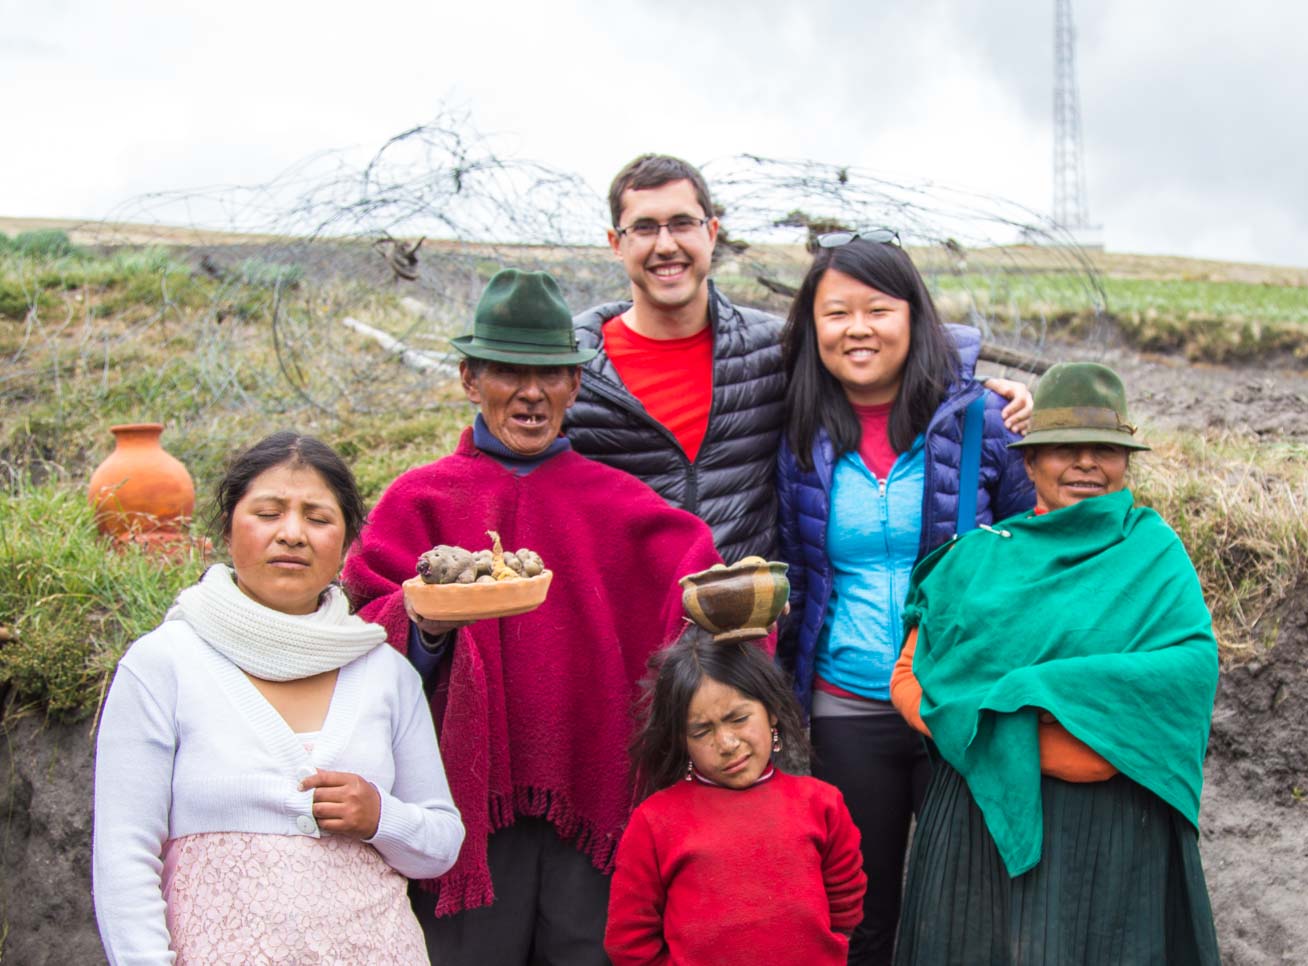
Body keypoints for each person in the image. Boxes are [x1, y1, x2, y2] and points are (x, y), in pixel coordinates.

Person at [343, 269, 724, 965]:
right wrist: (424, 624)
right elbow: (362, 629)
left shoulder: (621, 506)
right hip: (459, 808)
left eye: (550, 374)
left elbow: (698, 592)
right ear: (468, 378)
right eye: (507, 373)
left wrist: (731, 619)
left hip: (590, 800)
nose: (531, 393)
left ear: (575, 386)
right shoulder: (417, 501)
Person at [889, 362, 1221, 964]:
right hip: (977, 816)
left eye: (1105, 450)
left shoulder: (1152, 552)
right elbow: (910, 678)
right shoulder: (976, 560)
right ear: (1029, 462)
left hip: (1114, 827)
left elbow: (1188, 671)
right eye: (1064, 448)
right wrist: (1008, 737)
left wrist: (1030, 693)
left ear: (1126, 463)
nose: (1086, 463)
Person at [92, 432, 463, 964]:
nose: (292, 534)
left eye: (317, 518)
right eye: (267, 513)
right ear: (226, 530)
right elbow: (123, 857)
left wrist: (381, 817)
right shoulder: (164, 665)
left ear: (346, 541)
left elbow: (441, 846)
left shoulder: (385, 673)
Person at [773, 232, 1035, 965]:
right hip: (845, 707)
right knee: (859, 913)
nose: (858, 329)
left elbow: (1035, 550)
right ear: (813, 328)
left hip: (961, 706)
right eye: (837, 313)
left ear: (914, 317)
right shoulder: (798, 430)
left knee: (977, 906)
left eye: (878, 309)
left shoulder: (982, 418)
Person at [566, 154, 1034, 561]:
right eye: (644, 228)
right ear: (615, 242)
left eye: (682, 224)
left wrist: (977, 386)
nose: (665, 244)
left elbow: (873, 350)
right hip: (622, 632)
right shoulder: (575, 371)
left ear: (711, 232)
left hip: (743, 644)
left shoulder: (770, 349)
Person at [605, 628, 867, 966]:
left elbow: (845, 903)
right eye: (702, 730)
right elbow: (629, 940)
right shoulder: (654, 823)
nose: (726, 744)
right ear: (681, 739)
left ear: (771, 710)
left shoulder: (822, 804)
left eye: (738, 719)